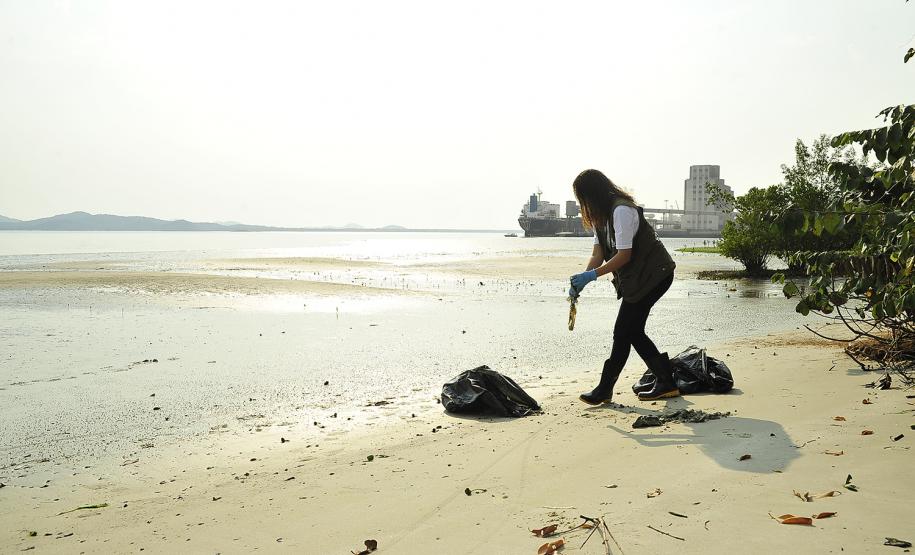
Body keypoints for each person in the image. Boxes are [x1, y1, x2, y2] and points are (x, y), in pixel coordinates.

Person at [568, 169, 679, 404]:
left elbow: (624, 255)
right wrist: (584, 278)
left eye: (583, 198)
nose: (582, 204)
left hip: (656, 275)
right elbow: (598, 253)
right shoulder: (601, 218)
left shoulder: (621, 211)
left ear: (592, 194)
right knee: (631, 331)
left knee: (624, 332)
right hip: (638, 280)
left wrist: (592, 276)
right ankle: (664, 381)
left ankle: (606, 389)